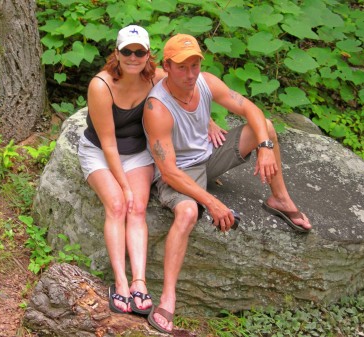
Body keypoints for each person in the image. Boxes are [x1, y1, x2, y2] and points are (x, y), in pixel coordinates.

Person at [143, 34, 312, 334]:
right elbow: (168, 172)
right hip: (179, 170)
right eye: (183, 67)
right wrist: (211, 201)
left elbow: (250, 109)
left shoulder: (206, 82)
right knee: (187, 214)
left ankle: (281, 199)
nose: (191, 74)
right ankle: (168, 298)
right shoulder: (158, 107)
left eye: (195, 65)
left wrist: (264, 145)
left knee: (267, 128)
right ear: (167, 66)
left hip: (208, 157)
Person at [77, 25, 165, 315]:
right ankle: (121, 283)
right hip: (100, 153)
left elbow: (191, 85)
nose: (133, 57)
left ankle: (140, 282)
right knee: (117, 205)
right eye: (127, 51)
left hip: (138, 153)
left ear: (148, 54)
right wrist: (124, 186)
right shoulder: (101, 85)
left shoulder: (155, 77)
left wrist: (209, 121)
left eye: (139, 52)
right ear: (117, 53)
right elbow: (108, 143)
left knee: (137, 209)